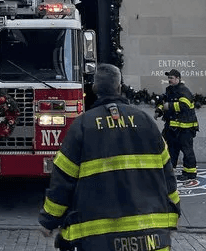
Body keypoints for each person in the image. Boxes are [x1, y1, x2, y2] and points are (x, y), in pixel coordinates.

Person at [39, 64, 180, 251]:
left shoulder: (82, 126)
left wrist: (49, 221)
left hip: (97, 242)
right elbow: (168, 177)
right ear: (120, 87)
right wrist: (173, 216)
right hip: (152, 240)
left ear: (95, 89)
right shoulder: (146, 122)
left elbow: (62, 180)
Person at [155, 69, 199, 181]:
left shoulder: (184, 91)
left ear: (178, 79)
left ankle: (190, 173)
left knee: (187, 150)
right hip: (172, 127)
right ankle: (169, 171)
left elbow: (185, 105)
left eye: (172, 78)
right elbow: (163, 103)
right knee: (171, 149)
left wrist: (169, 106)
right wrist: (159, 111)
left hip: (185, 128)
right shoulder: (169, 90)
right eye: (168, 78)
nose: (169, 80)